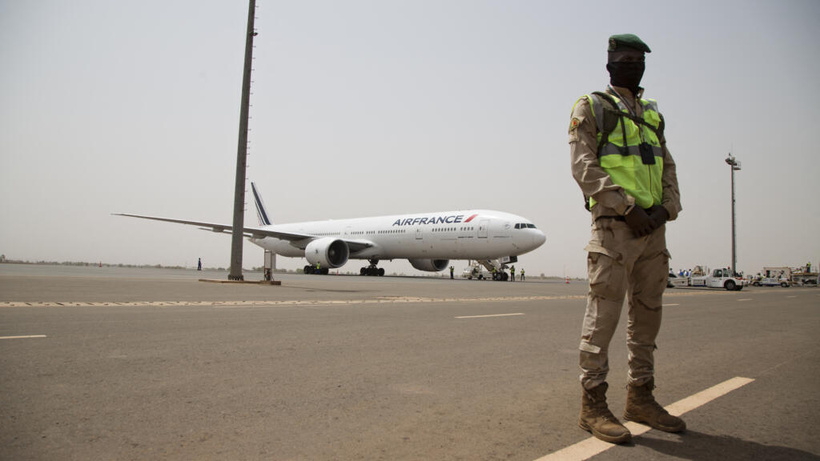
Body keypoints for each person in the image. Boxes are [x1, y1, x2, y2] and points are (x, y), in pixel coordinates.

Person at [568, 34, 684, 444]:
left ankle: (641, 397)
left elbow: (667, 167)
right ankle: (593, 404)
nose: (633, 65)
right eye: (625, 59)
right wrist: (626, 208)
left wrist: (666, 210)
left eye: (639, 60)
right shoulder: (592, 106)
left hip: (652, 229)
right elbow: (583, 166)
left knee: (647, 317)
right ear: (609, 64)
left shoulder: (652, 115)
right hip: (616, 227)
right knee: (603, 318)